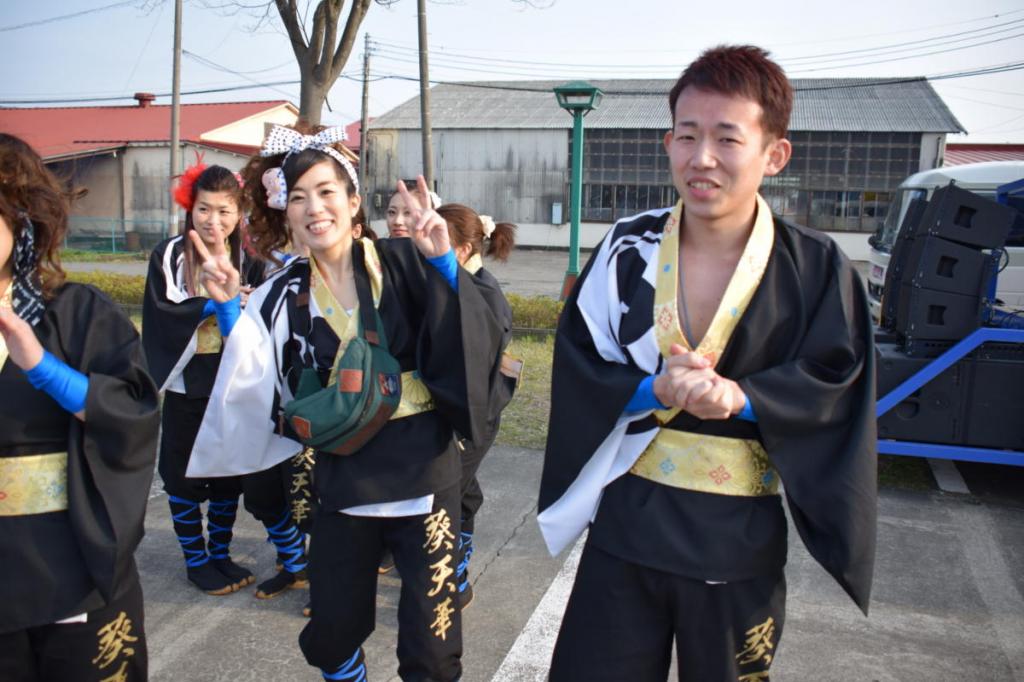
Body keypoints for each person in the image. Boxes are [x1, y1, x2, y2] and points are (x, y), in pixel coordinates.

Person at [537, 45, 877, 681]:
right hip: (627, 522)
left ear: (774, 154)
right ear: (668, 143)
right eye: (686, 136)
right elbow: (578, 359)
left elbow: (838, 379)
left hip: (735, 535)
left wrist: (743, 399)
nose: (702, 159)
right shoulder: (625, 249)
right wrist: (649, 388)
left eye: (727, 138)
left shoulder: (815, 267)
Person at [186, 124, 504, 681]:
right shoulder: (281, 293)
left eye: (328, 192)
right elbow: (254, 375)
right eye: (301, 197)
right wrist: (229, 308)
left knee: (432, 646)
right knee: (331, 632)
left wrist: (446, 268)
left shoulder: (404, 262)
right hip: (343, 476)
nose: (315, 208)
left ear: (353, 201)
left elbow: (479, 334)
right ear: (286, 213)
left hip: (423, 474)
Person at [0, 133, 160, 680]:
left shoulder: (75, 311)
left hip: (69, 560)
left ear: (21, 221)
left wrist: (42, 367)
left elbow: (135, 410)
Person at [143, 162, 272, 596]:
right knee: (182, 477)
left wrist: (243, 307)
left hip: (231, 383)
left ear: (239, 215)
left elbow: (264, 322)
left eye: (224, 211)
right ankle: (195, 561)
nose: (213, 221)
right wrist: (213, 305)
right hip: (187, 383)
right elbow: (162, 314)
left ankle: (220, 553)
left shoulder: (252, 261)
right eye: (203, 209)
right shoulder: (169, 255)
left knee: (227, 475)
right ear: (189, 208)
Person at [435, 203, 519, 608]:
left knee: (448, 494)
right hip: (451, 413)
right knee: (460, 490)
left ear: (464, 250)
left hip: (473, 416)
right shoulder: (446, 281)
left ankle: (456, 575)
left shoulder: (482, 292)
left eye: (437, 240)